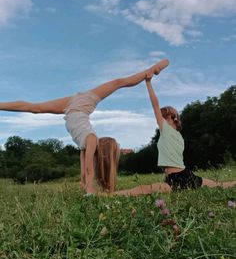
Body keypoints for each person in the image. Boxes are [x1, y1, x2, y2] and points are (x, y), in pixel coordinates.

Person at [0, 59, 169, 194]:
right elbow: (89, 168)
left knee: (35, 108)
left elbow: (85, 169)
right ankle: (151, 70)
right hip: (81, 106)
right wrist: (89, 189)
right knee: (118, 83)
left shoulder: (86, 143)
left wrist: (85, 186)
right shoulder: (91, 138)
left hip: (73, 106)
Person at [114, 76, 236, 196]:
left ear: (173, 118)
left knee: (144, 189)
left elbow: (155, 105)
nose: (160, 118)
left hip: (179, 177)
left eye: (164, 116)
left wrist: (148, 82)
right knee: (220, 185)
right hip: (182, 175)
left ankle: (109, 195)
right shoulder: (178, 136)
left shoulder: (167, 130)